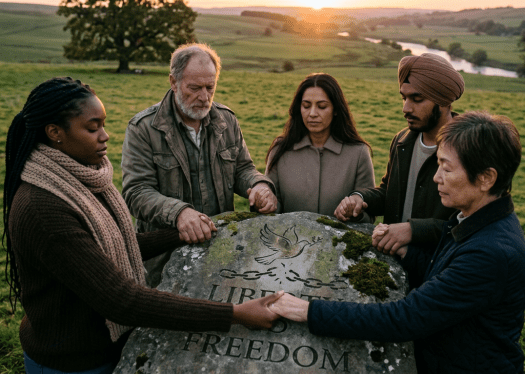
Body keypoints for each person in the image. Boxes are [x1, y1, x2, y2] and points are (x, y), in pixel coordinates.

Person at [3, 77, 282, 374]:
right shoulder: (45, 208)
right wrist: (236, 313)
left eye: (103, 124)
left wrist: (179, 235)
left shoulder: (78, 180)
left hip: (100, 348)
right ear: (55, 133)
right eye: (92, 128)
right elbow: (121, 300)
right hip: (73, 362)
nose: (105, 136)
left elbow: (113, 244)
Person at [270, 111, 525, 374]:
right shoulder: (475, 220)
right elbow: (447, 272)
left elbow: (406, 318)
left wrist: (307, 311)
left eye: (447, 169)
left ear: (486, 178)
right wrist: (405, 251)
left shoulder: (491, 252)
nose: (437, 177)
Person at [121, 43, 277, 286]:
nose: (204, 97)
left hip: (220, 250)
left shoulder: (227, 120)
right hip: (163, 260)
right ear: (173, 82)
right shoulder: (143, 129)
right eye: (194, 88)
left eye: (210, 87)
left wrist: (259, 186)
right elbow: (136, 192)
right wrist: (179, 213)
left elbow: (243, 169)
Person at [335, 52, 464, 255]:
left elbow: (469, 224)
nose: (406, 108)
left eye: (417, 99)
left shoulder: (468, 149)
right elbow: (390, 193)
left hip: (439, 269)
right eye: (404, 98)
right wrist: (360, 198)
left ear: (444, 100)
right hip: (392, 261)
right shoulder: (402, 140)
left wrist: (413, 230)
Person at [265, 73, 375, 215]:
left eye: (322, 107)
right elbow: (273, 205)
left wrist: (353, 212)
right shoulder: (280, 149)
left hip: (340, 237)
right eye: (306, 106)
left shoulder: (359, 153)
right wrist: (265, 203)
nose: (312, 113)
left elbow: (369, 212)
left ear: (336, 109)